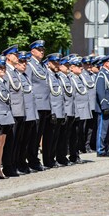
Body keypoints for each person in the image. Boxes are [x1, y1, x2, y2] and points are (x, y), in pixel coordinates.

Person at [2, 45, 25, 177]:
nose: (17, 57)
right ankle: (8, 166)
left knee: (17, 141)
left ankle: (14, 163)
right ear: (8, 57)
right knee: (10, 142)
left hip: (20, 110)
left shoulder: (15, 72)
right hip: (12, 111)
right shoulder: (6, 72)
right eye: (14, 55)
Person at [25, 40, 48, 171]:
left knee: (38, 134)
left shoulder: (42, 66)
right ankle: (32, 159)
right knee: (33, 135)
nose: (42, 52)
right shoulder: (30, 65)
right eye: (39, 50)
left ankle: (34, 159)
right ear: (32, 51)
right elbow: (28, 85)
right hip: (36, 104)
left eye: (43, 50)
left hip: (44, 104)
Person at [15, 51, 38, 173]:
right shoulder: (15, 76)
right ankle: (18, 163)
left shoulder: (25, 76)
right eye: (21, 62)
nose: (24, 65)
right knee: (18, 141)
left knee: (26, 141)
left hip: (29, 113)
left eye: (25, 62)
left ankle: (22, 162)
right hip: (21, 113)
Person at [0, 55, 14, 179]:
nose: (3, 70)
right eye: (0, 67)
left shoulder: (4, 82)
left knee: (2, 144)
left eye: (4, 67)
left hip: (6, 116)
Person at [42, 53, 65, 168]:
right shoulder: (48, 76)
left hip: (59, 110)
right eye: (55, 63)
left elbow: (61, 95)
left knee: (56, 137)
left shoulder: (57, 76)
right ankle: (47, 160)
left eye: (58, 63)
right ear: (49, 63)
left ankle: (52, 157)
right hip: (53, 111)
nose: (57, 65)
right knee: (49, 138)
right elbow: (48, 95)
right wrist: (51, 112)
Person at [68, 57, 92, 163]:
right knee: (74, 134)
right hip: (76, 110)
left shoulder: (79, 78)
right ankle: (73, 155)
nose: (81, 68)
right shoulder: (71, 78)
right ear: (72, 68)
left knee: (79, 134)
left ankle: (76, 154)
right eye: (78, 66)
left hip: (82, 110)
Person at [56, 56, 75, 166]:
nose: (68, 67)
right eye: (66, 66)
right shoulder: (60, 78)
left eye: (69, 66)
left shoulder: (68, 77)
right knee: (61, 136)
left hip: (70, 110)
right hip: (64, 111)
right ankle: (60, 157)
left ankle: (63, 156)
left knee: (66, 136)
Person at [80, 56, 98, 153]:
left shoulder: (93, 75)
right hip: (85, 105)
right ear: (82, 65)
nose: (89, 66)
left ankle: (88, 144)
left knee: (91, 127)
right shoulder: (81, 75)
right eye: (87, 64)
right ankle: (82, 146)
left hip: (93, 104)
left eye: (90, 64)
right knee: (83, 127)